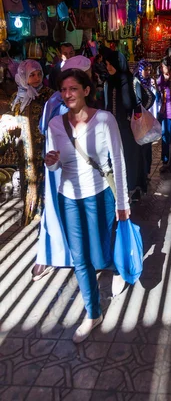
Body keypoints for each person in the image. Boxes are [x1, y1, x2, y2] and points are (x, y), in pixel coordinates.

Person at [45, 68, 130, 343]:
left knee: (99, 255)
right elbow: (57, 164)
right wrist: (52, 161)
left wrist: (123, 202)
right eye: (63, 89)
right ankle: (93, 313)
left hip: (99, 194)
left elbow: (117, 160)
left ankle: (115, 267)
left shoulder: (104, 120)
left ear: (86, 91)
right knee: (79, 259)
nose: (67, 94)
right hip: (67, 196)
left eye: (72, 89)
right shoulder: (55, 125)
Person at [33, 55, 92, 281]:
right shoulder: (75, 102)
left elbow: (41, 129)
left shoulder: (53, 101)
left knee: (57, 209)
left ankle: (49, 256)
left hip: (57, 166)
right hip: (68, 165)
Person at [9, 60, 54, 224]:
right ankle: (29, 213)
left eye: (39, 74)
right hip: (24, 147)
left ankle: (42, 216)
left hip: (43, 145)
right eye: (32, 75)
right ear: (23, 77)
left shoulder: (49, 95)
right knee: (27, 179)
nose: (36, 78)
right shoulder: (17, 97)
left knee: (41, 179)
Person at [101, 47, 148, 198]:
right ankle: (118, 189)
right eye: (107, 64)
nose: (108, 68)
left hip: (129, 129)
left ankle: (133, 188)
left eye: (111, 64)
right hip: (112, 128)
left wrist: (136, 114)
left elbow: (148, 99)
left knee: (131, 156)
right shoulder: (107, 83)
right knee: (114, 157)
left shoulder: (131, 81)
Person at [134, 59, 157, 178]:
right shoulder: (136, 82)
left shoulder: (149, 82)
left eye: (149, 69)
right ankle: (142, 173)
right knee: (142, 146)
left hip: (148, 119)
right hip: (140, 120)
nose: (147, 72)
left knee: (147, 146)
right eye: (145, 69)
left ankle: (146, 171)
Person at [157, 58, 171, 168]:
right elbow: (158, 86)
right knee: (165, 136)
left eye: (163, 66)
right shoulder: (161, 78)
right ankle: (165, 161)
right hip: (165, 113)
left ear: (168, 67)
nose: (161, 68)